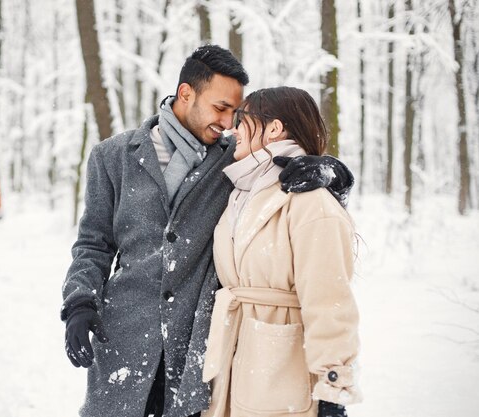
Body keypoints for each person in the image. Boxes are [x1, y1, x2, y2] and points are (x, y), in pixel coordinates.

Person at [61, 45, 354, 417]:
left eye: (236, 112)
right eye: (220, 108)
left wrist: (334, 173)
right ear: (186, 94)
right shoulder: (112, 156)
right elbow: (93, 242)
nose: (230, 122)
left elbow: (288, 166)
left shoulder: (235, 158)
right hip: (123, 335)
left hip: (195, 347)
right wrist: (79, 301)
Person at [201, 86, 362, 417]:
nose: (232, 128)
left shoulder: (311, 200)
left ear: (274, 128)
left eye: (242, 119)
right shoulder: (239, 191)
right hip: (232, 367)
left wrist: (333, 386)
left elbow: (329, 300)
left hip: (282, 373)